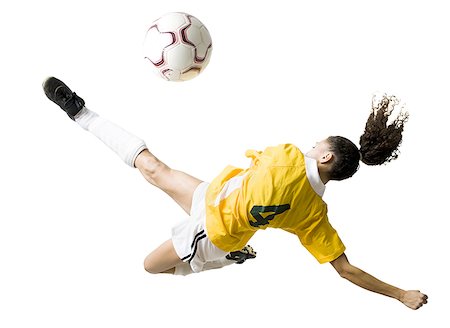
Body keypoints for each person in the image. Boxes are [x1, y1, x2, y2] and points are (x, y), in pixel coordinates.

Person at [43, 77, 428, 310]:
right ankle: (80, 112)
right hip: (214, 196)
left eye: (317, 145)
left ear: (325, 155)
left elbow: (261, 167)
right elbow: (345, 270)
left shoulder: (287, 155)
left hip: (213, 234)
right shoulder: (314, 216)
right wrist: (399, 294)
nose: (310, 146)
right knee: (153, 169)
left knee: (149, 265)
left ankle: (226, 258)